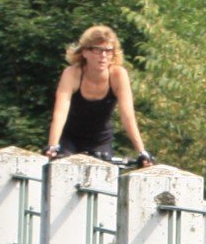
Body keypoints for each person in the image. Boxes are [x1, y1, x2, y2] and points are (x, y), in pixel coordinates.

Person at [45, 25, 148, 162]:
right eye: (97, 50)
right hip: (69, 139)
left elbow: (128, 116)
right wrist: (52, 146)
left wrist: (142, 151)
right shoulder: (72, 74)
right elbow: (60, 114)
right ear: (85, 52)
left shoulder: (118, 75)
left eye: (108, 51)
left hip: (100, 141)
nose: (104, 56)